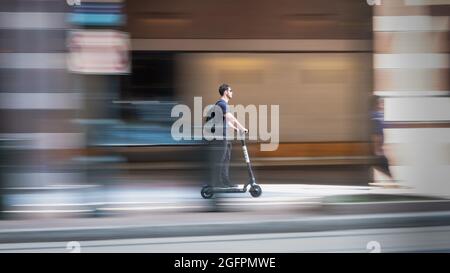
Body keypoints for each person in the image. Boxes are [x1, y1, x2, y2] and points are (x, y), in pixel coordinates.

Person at [208, 84, 248, 188]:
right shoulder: (222, 104)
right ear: (225, 92)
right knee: (220, 160)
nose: (232, 92)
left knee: (226, 159)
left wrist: (235, 129)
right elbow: (230, 118)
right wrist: (241, 128)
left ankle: (225, 181)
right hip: (219, 137)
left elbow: (226, 121)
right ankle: (216, 182)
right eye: (230, 90)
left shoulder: (223, 105)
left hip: (224, 137)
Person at [370, 96, 396, 186]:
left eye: (383, 103)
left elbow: (384, 128)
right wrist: (377, 147)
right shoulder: (375, 116)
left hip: (380, 143)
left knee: (380, 162)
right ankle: (392, 180)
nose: (383, 105)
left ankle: (390, 180)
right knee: (382, 162)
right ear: (376, 104)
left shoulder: (380, 115)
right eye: (381, 103)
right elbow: (376, 133)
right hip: (377, 143)